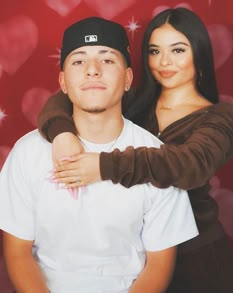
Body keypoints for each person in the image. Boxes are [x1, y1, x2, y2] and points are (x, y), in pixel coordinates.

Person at [37, 8, 233, 293]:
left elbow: (191, 165)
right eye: (155, 51)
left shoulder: (221, 117)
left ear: (199, 53)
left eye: (178, 50)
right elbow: (66, 97)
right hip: (135, 258)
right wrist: (62, 133)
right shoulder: (133, 102)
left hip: (196, 259)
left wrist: (104, 166)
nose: (165, 61)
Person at [0, 16, 199, 293]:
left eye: (107, 60)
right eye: (79, 61)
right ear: (63, 81)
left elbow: (159, 263)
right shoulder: (27, 153)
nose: (92, 70)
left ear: (128, 78)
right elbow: (17, 251)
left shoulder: (156, 158)